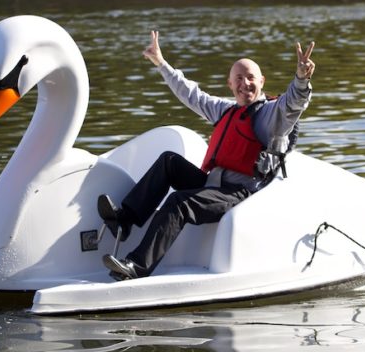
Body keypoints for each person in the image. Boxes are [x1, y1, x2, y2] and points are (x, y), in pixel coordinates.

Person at [98, 30, 315, 280]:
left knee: (179, 202)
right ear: (230, 84)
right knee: (170, 162)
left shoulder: (271, 116)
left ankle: (136, 267)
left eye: (251, 78)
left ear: (262, 81)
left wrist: (300, 78)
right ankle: (125, 220)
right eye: (239, 78)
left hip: (238, 193)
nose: (246, 83)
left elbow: (293, 104)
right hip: (213, 184)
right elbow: (191, 94)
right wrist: (161, 62)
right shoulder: (225, 110)